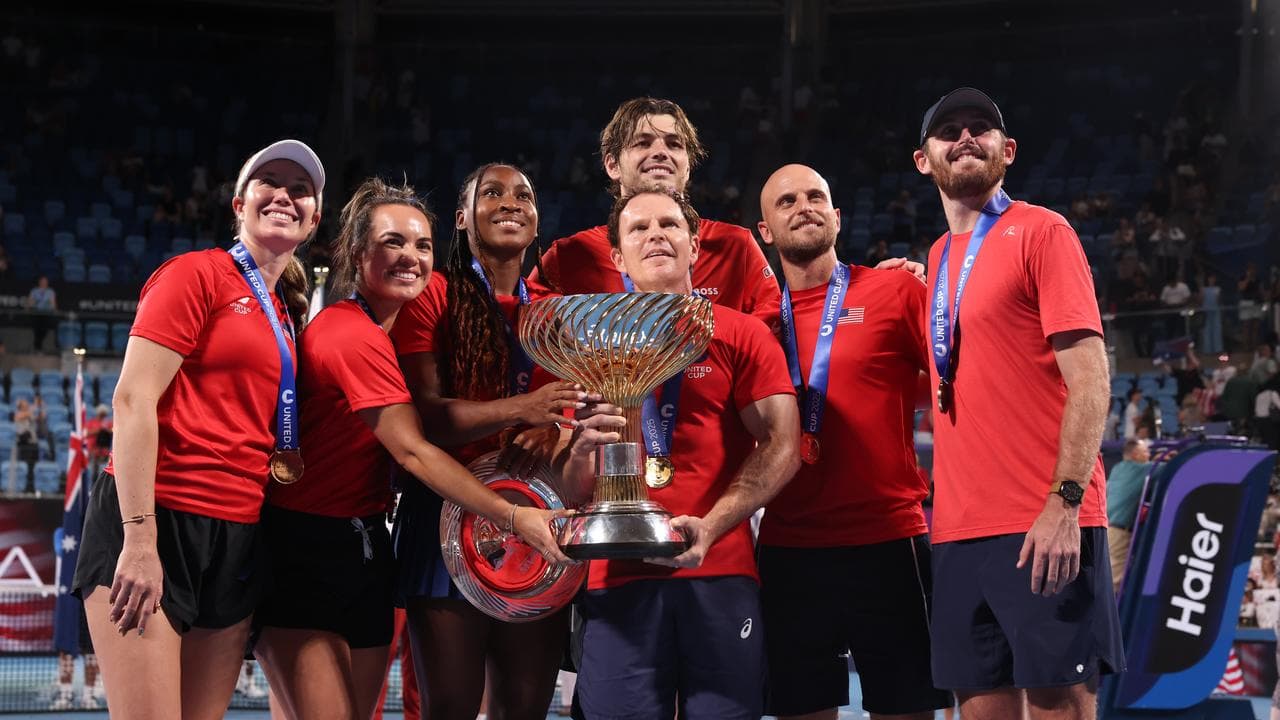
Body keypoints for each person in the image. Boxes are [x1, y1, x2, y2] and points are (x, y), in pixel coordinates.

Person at [253, 177, 569, 720]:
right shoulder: (351, 334)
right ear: (357, 254)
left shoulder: (386, 330)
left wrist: (557, 427)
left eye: (422, 245)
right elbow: (415, 452)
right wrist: (514, 516)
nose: (411, 257)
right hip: (303, 544)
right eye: (392, 243)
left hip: (366, 541)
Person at [71, 139, 323, 718]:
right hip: (158, 517)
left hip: (237, 534)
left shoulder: (286, 312)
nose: (284, 194)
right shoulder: (196, 274)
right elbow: (133, 399)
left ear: (313, 218)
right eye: (270, 182)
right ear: (239, 204)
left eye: (300, 189)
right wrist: (139, 539)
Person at [914, 88, 1123, 718]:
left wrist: (1064, 503)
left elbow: (1091, 380)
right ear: (925, 160)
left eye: (981, 127)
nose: (965, 137)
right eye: (949, 130)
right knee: (977, 705)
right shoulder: (937, 259)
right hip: (957, 529)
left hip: (1043, 521)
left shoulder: (1043, 231)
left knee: (1059, 702)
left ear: (1008, 150)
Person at [563, 188, 800, 718]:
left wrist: (711, 526)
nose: (656, 236)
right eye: (639, 228)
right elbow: (567, 482)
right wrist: (579, 450)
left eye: (669, 225)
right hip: (614, 574)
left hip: (719, 567)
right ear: (618, 257)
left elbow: (783, 445)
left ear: (695, 247)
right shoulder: (585, 348)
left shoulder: (741, 333)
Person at [754, 164, 950, 720]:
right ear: (765, 230)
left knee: (906, 708)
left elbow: (953, 378)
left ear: (837, 216)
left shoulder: (893, 289)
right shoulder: (754, 324)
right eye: (786, 201)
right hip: (790, 546)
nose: (804, 206)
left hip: (887, 540)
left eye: (817, 195)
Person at [389, 163, 586, 720]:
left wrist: (556, 425)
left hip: (536, 520)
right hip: (446, 518)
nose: (510, 203)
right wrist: (523, 409)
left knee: (524, 707)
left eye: (524, 194)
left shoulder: (553, 307)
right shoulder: (434, 296)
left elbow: (569, 407)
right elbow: (427, 419)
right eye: (492, 193)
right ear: (461, 218)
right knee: (449, 706)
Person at [530, 97, 782, 325]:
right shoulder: (569, 256)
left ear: (688, 167)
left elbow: (770, 334)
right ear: (612, 165)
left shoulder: (736, 246)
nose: (661, 152)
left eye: (674, 144)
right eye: (643, 143)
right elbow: (532, 334)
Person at [1105, 438, 1151, 592]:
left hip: (1107, 528)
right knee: (1114, 581)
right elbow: (1169, 468)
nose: (1149, 455)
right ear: (1135, 455)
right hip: (1118, 532)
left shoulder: (1118, 468)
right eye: (1145, 451)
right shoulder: (1140, 470)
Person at [25, 275, 56, 353]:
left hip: (46, 313)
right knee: (37, 329)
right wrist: (30, 306)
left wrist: (54, 309)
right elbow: (30, 302)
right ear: (39, 282)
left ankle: (38, 346)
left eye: (45, 281)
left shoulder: (50, 291)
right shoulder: (34, 291)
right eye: (42, 281)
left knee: (44, 329)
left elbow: (53, 304)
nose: (44, 283)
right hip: (36, 313)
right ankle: (38, 347)